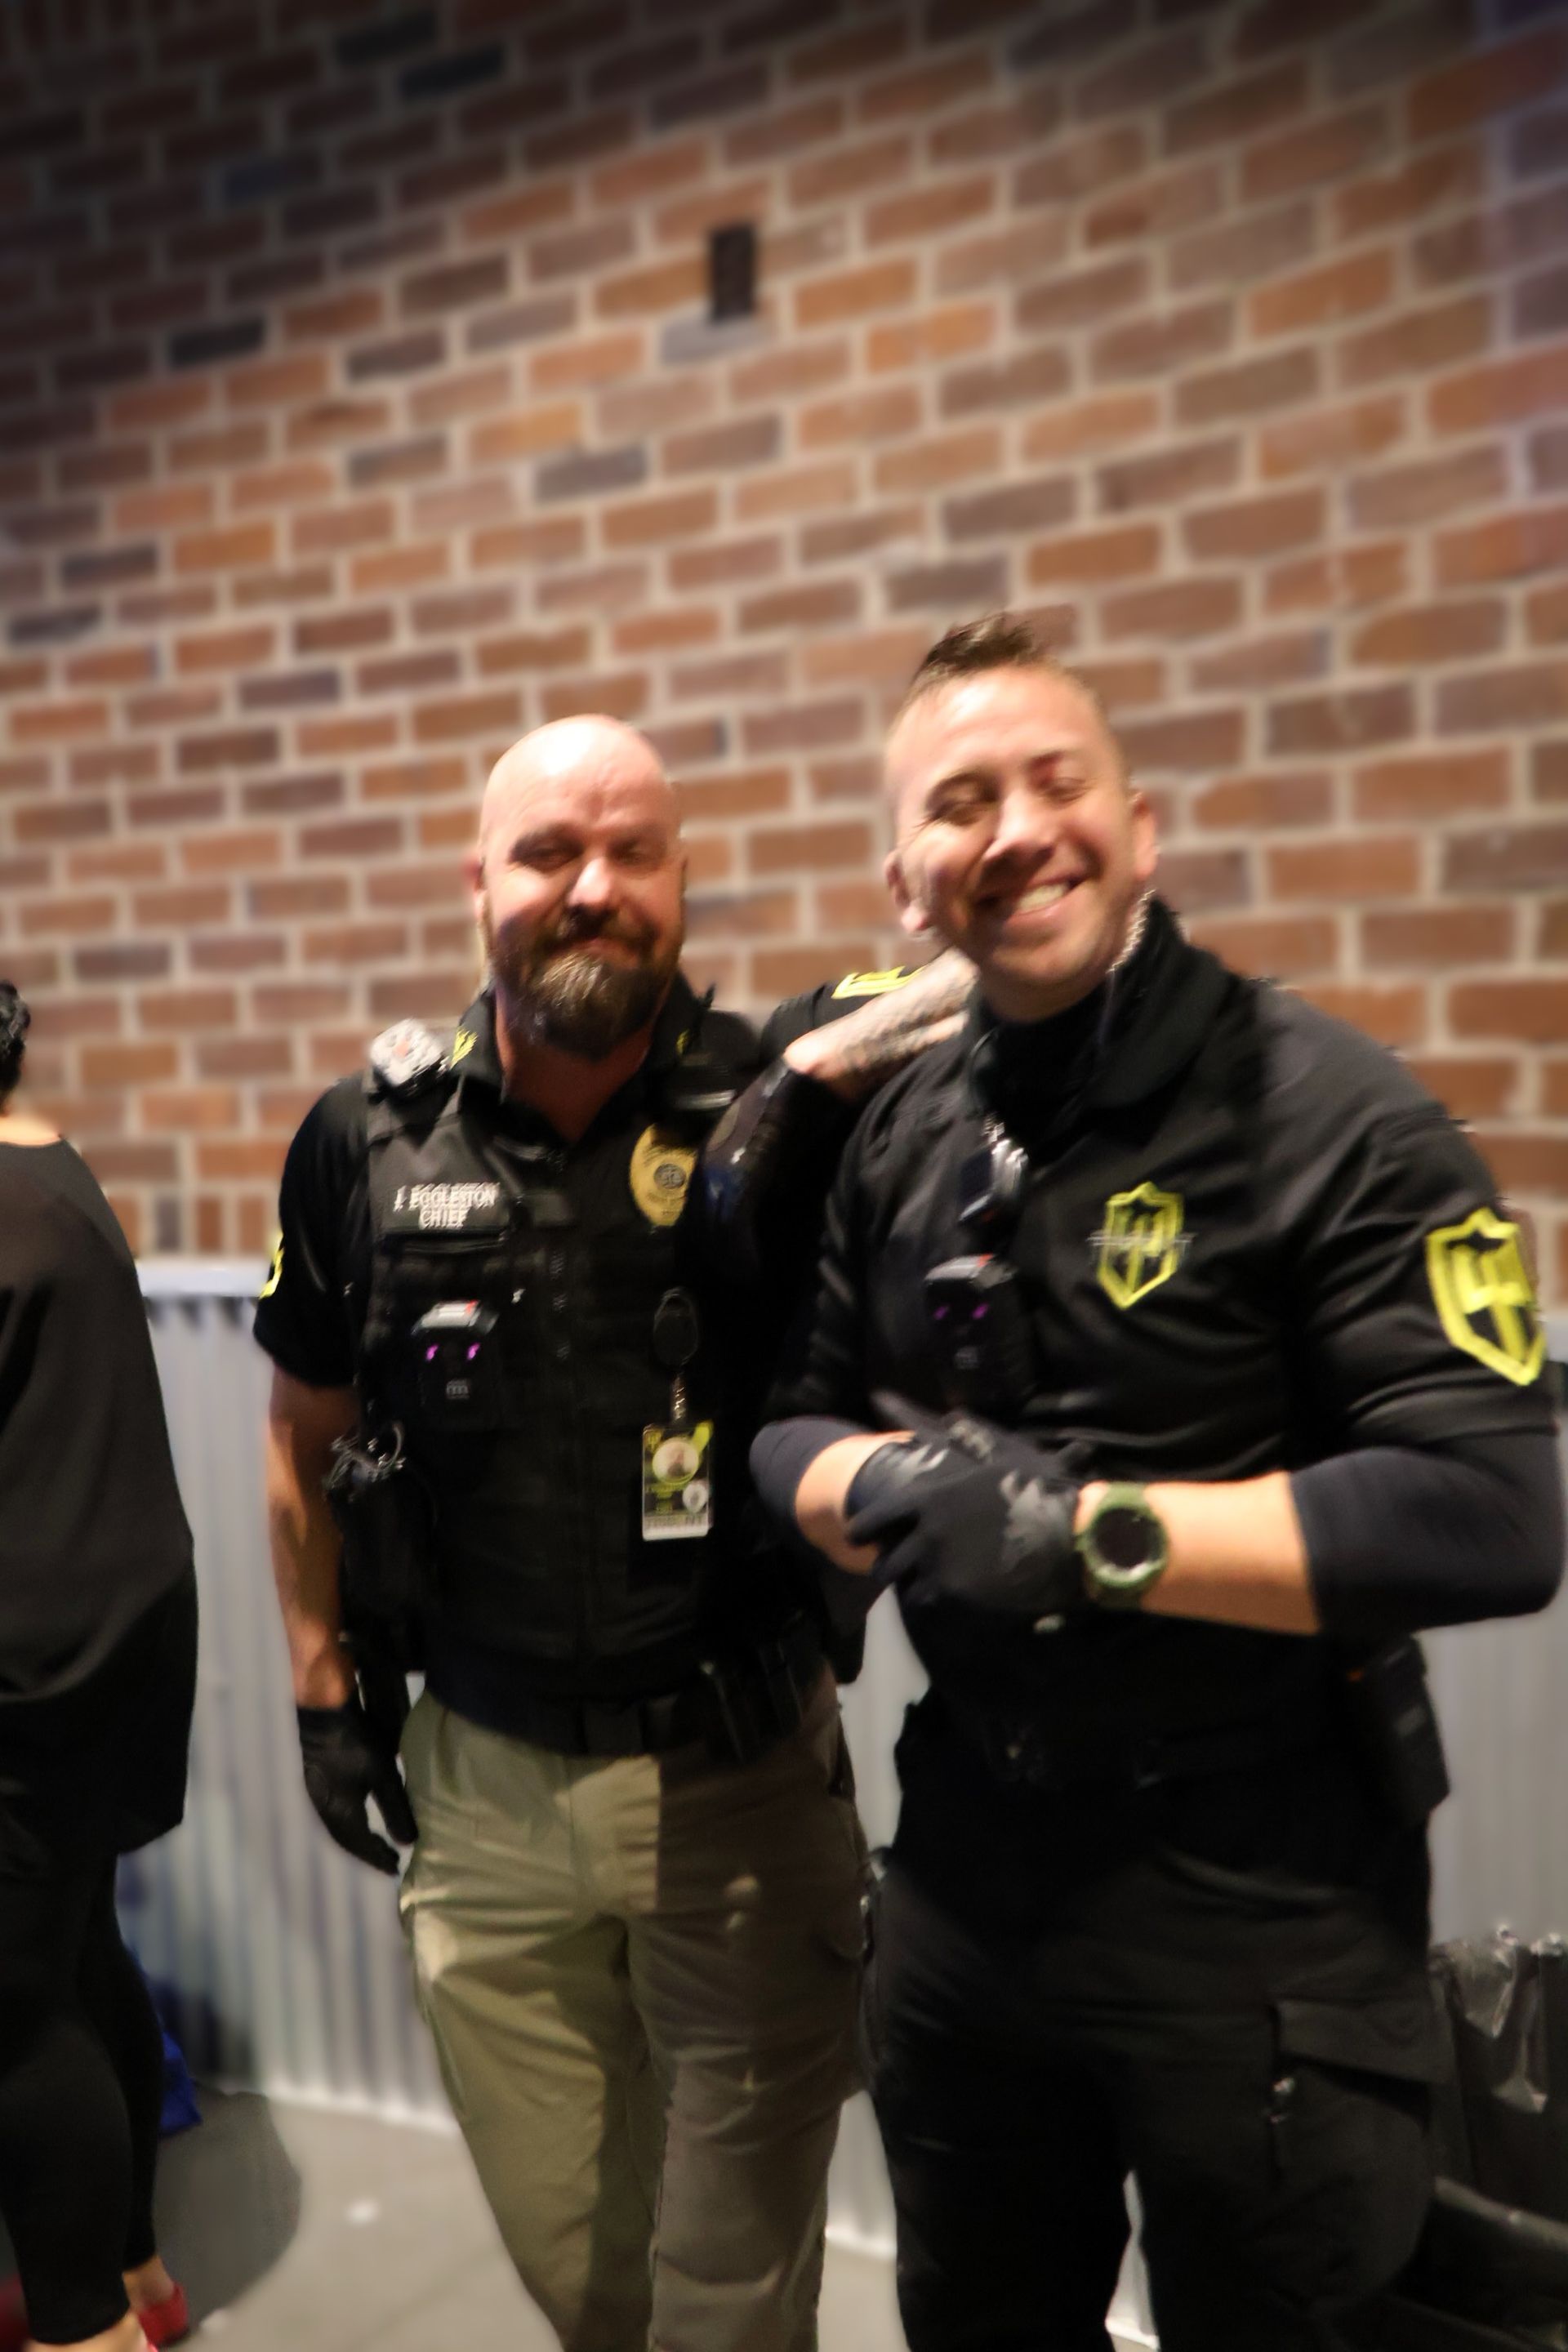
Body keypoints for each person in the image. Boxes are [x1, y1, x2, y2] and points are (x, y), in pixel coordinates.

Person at [750, 614, 1566, 2352]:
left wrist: (1082, 1536)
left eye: (1059, 782)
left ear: (1143, 826)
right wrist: (878, 1488)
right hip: (972, 1876)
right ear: (907, 880)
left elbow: (1489, 1511)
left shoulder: (1334, 1109)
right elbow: (788, 1417)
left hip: (1264, 1897)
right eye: (959, 804)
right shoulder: (898, 1135)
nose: (1016, 829)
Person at [254, 715, 965, 2352]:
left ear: (683, 879)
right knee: (584, 2278)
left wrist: (927, 946)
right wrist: (317, 1689)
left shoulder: (790, 1110)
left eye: (633, 852)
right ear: (475, 883)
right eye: (547, 854)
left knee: (726, 2302)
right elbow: (302, 1435)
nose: (593, 888)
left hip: (737, 1785)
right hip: (482, 1801)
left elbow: (1001, 999)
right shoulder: (361, 1142)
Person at [0, 982, 198, 2352]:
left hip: (32, 1660)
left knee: (9, 2008)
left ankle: (81, 2327)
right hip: (110, 1638)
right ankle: (135, 2279)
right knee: (77, 1949)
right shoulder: (42, 1164)